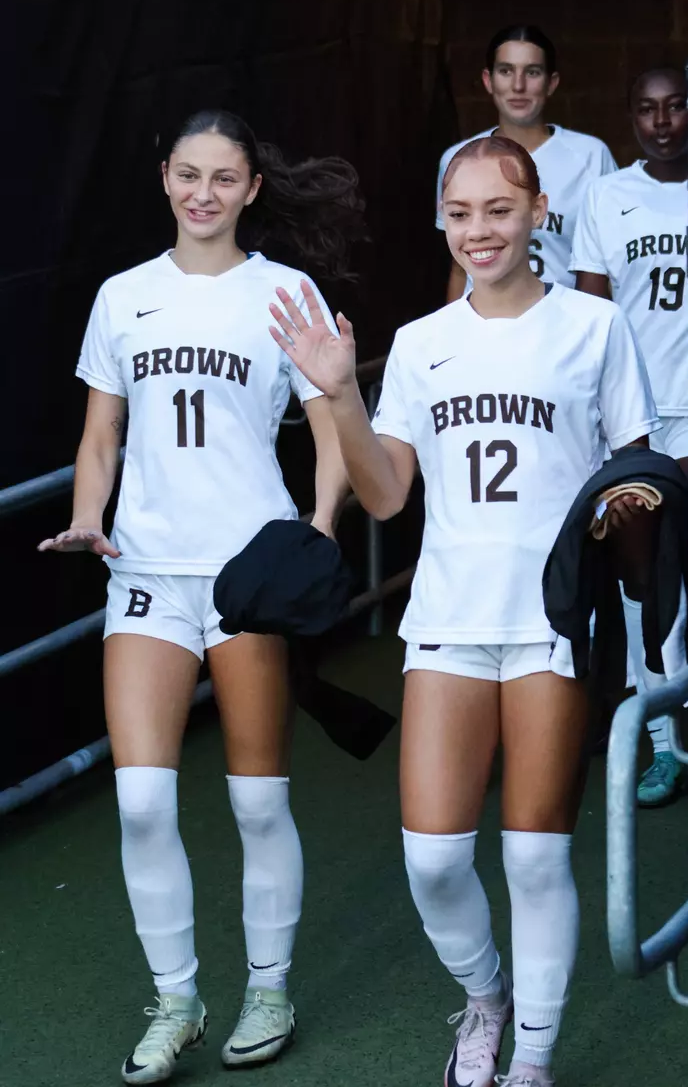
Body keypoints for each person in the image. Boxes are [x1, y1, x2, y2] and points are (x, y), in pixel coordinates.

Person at [269, 135, 659, 1087]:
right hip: (448, 617)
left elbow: (638, 466)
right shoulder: (420, 343)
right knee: (435, 859)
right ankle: (485, 998)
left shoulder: (595, 328)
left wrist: (626, 503)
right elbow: (389, 494)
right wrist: (338, 397)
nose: (479, 229)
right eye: (461, 212)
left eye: (498, 209)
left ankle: (531, 1061)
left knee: (533, 858)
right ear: (442, 220)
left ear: (537, 216)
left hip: (554, 621)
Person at [37, 109, 358, 1085]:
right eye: (189, 174)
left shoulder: (284, 292)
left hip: (246, 571)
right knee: (141, 802)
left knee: (257, 801)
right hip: (146, 572)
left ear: (252, 187)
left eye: (224, 177)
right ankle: (176, 996)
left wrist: (321, 526)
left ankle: (269, 983)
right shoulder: (123, 297)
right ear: (164, 176)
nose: (204, 193)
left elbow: (335, 426)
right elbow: (101, 436)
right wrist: (92, 513)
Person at [570, 66, 688, 807]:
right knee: (642, 583)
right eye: (647, 109)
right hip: (637, 419)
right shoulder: (608, 195)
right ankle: (662, 744)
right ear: (630, 118)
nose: (664, 121)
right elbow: (593, 314)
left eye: (677, 106)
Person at [436, 23, 616, 304]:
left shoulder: (591, 155)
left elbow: (607, 262)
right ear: (488, 80)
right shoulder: (460, 158)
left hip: (563, 322)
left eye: (532, 72)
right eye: (506, 71)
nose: (518, 85)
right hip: (485, 324)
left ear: (551, 83)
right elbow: (459, 267)